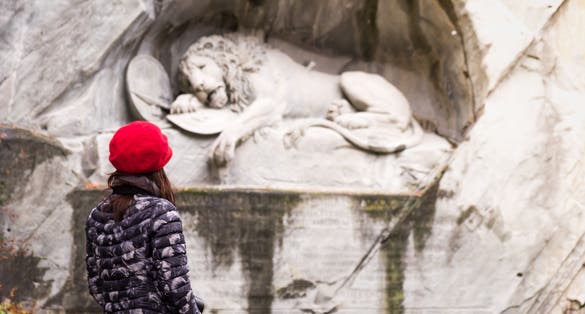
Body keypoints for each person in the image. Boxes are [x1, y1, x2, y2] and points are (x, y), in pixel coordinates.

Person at [85, 121, 204, 313]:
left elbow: (96, 284)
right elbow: (176, 287)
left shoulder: (97, 215)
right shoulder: (162, 212)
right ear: (159, 165)